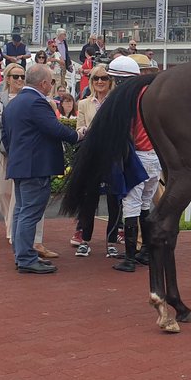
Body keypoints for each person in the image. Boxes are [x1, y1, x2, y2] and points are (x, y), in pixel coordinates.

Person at [2, 63, 81, 274]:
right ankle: (26, 258)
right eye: (51, 82)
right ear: (44, 83)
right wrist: (78, 135)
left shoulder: (14, 103)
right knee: (29, 212)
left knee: (21, 211)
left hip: (20, 165)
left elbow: (6, 137)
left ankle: (22, 255)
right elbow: (54, 128)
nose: (51, 86)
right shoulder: (36, 102)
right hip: (35, 167)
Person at [0, 63, 54, 259]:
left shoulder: (23, 102)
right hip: (19, 158)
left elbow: (4, 126)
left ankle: (25, 247)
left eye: (21, 76)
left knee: (22, 206)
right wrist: (76, 136)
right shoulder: (25, 101)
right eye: (15, 76)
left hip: (17, 157)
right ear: (7, 78)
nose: (18, 79)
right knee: (17, 202)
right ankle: (24, 253)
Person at [104, 55, 161, 273]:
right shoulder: (149, 94)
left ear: (119, 79)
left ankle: (129, 258)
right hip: (154, 157)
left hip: (137, 156)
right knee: (146, 204)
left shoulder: (126, 98)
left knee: (131, 205)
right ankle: (145, 251)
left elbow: (124, 130)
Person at [71, 64, 124, 258]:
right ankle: (85, 240)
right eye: (96, 78)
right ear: (91, 81)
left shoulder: (117, 103)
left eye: (104, 78)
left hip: (112, 157)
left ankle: (111, 242)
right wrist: (86, 132)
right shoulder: (84, 103)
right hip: (91, 156)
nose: (100, 82)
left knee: (114, 200)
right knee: (89, 199)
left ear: (110, 81)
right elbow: (80, 128)